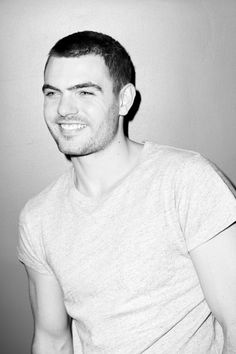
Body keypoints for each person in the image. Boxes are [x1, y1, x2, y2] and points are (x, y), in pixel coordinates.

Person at [17, 31, 236, 354]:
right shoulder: (38, 217)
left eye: (85, 92)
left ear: (124, 99)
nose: (64, 108)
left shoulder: (187, 180)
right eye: (53, 93)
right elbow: (52, 339)